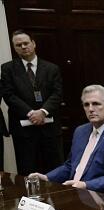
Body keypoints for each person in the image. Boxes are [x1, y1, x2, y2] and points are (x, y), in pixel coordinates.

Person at [28, 84, 104, 192]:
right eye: (86, 105)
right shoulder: (81, 131)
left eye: (96, 104)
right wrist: (47, 178)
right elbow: (71, 165)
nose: (90, 109)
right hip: (74, 192)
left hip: (101, 198)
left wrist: (86, 185)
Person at [0, 29, 63, 175]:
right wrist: (31, 113)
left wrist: (42, 112)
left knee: (55, 172)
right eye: (18, 45)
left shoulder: (52, 68)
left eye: (26, 43)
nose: (23, 47)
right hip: (23, 132)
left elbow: (57, 94)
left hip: (50, 130)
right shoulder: (7, 69)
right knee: (27, 172)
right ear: (14, 47)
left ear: (33, 44)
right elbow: (9, 95)